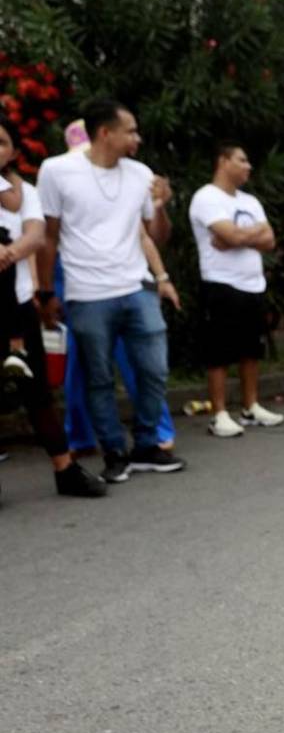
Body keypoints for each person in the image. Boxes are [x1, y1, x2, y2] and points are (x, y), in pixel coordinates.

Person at [35, 98, 185, 483]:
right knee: (98, 378)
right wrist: (47, 291)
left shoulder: (140, 174)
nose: (137, 137)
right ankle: (115, 452)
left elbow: (157, 237)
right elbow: (49, 237)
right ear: (105, 133)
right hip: (86, 293)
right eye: (130, 130)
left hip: (137, 287)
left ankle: (147, 445)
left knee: (154, 370)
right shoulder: (57, 171)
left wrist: (162, 207)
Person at [0, 119, 107, 501]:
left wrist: (9, 252)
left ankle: (66, 471)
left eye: (2, 142)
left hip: (18, 307)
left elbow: (36, 234)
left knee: (38, 394)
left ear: (13, 151)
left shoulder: (26, 192)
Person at [188, 141, 284, 438]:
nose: (248, 166)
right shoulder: (206, 198)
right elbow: (229, 234)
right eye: (242, 160)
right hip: (221, 282)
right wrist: (242, 234)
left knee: (250, 349)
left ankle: (250, 406)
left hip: (253, 284)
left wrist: (239, 237)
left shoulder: (250, 201)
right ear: (223, 161)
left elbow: (269, 239)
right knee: (219, 350)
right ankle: (219, 414)